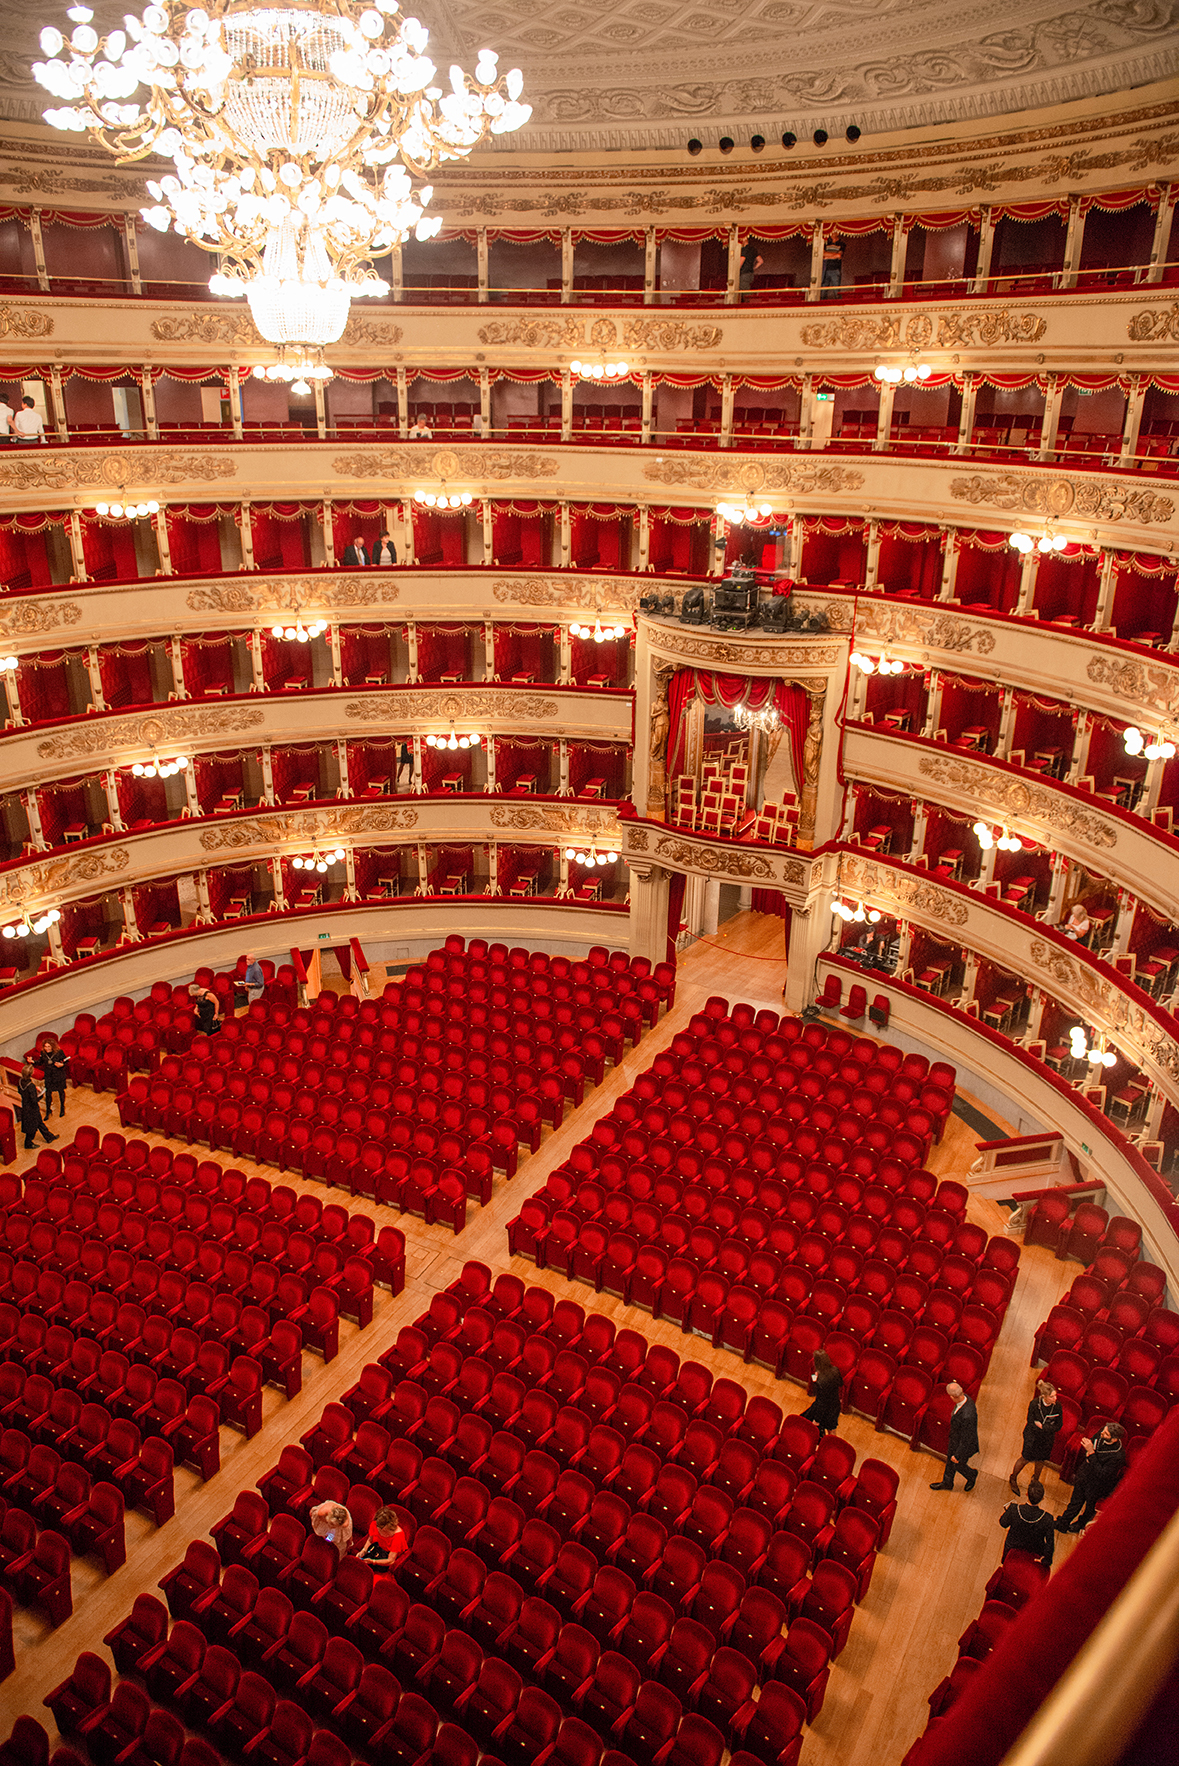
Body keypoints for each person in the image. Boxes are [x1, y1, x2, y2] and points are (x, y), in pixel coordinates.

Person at [1055, 1422, 1126, 1533]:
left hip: (1096, 1485)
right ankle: (1063, 1523)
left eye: (1106, 1433)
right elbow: (1091, 1444)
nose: (1102, 1433)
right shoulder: (1101, 1433)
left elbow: (1102, 1473)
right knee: (1075, 1502)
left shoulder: (1118, 1456)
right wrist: (1088, 1454)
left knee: (1089, 1508)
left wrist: (1091, 1453)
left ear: (1114, 1439)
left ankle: (1080, 1525)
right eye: (1104, 1430)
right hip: (1084, 1474)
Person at [1010, 1380, 1063, 1494]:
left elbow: (1058, 1425)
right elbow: (1030, 1422)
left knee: (1040, 1461)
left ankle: (1035, 1480)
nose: (1055, 1398)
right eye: (1052, 1396)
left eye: (1055, 1396)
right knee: (1025, 1459)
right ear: (1044, 1396)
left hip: (1046, 1439)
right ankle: (1013, 1478)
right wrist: (1043, 1428)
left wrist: (1044, 1427)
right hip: (1032, 1438)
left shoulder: (1057, 1407)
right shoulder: (1034, 1404)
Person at [931, 1380, 980, 1491]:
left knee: (958, 1464)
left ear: (953, 1397)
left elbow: (967, 1438)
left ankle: (972, 1474)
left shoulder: (968, 1415)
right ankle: (947, 1483)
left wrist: (957, 1455)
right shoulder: (965, 1398)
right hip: (955, 1440)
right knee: (950, 1462)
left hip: (963, 1446)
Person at [999, 1480, 1055, 1566]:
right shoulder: (1047, 1518)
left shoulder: (1014, 1509)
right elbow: (1050, 1542)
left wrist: (1008, 1511)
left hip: (1012, 1549)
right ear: (1042, 1498)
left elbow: (1003, 1523)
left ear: (1026, 1494)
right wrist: (1046, 1560)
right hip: (1034, 1552)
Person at [358, 1505, 409, 1577]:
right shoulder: (375, 1524)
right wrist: (363, 1551)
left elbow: (390, 1560)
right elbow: (370, 1540)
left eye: (384, 1531)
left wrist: (373, 1561)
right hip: (377, 1548)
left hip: (386, 1557)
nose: (379, 1532)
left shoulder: (398, 1536)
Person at [19, 1058, 57, 1150]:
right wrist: (41, 1095)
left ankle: (49, 1137)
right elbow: (34, 1100)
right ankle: (28, 1143)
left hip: (25, 1106)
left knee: (39, 1123)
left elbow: (21, 1091)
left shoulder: (20, 1081)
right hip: (32, 1109)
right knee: (33, 1127)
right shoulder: (31, 1086)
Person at [801, 1349, 842, 1434]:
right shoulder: (835, 1370)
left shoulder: (819, 1379)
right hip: (835, 1405)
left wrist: (817, 1419)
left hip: (824, 1409)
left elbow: (821, 1401)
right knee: (832, 1429)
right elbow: (840, 1383)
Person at [35, 1036, 69, 1120]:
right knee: (48, 1093)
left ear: (52, 1046)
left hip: (58, 1075)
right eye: (45, 1046)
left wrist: (62, 1065)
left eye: (48, 1046)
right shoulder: (43, 1053)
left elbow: (66, 1061)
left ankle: (62, 1108)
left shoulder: (59, 1052)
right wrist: (33, 1062)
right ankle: (48, 1111)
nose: (47, 1048)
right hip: (49, 1076)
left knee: (60, 1092)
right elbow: (40, 1062)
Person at [821, 233, 844, 300]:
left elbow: (839, 255)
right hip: (826, 270)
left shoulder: (841, 244)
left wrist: (827, 256)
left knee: (836, 291)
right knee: (823, 291)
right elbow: (823, 254)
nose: (832, 234)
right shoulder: (827, 243)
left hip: (835, 269)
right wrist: (834, 255)